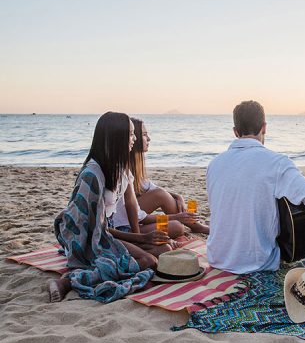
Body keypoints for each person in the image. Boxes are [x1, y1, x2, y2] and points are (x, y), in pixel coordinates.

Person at [50, 112, 170, 303]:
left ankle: (123, 257)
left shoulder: (120, 167)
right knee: (149, 261)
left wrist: (139, 237)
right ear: (117, 137)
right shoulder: (92, 175)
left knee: (164, 249)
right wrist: (141, 238)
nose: (135, 139)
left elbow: (131, 203)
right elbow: (94, 229)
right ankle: (68, 282)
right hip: (90, 238)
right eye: (131, 134)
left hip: (110, 231)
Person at [206, 100, 305, 273]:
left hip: (217, 259)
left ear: (235, 131)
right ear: (264, 127)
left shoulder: (214, 164)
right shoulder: (277, 163)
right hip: (258, 263)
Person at [123, 117, 209, 235]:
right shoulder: (124, 169)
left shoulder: (135, 166)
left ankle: (195, 225)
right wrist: (176, 217)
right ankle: (195, 226)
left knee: (176, 226)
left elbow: (152, 188)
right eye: (144, 134)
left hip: (133, 220)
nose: (149, 138)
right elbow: (141, 214)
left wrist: (178, 196)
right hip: (125, 225)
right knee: (176, 226)